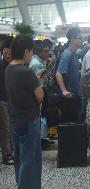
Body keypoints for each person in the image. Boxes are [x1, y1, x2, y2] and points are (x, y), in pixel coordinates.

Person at [5, 36, 44, 189]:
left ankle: (20, 184)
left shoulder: (9, 69)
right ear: (26, 51)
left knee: (20, 158)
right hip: (29, 120)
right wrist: (36, 80)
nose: (32, 55)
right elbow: (39, 96)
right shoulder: (26, 72)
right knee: (31, 160)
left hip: (15, 120)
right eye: (32, 52)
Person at [56, 27, 82, 122]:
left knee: (74, 124)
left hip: (74, 94)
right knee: (69, 125)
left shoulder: (74, 54)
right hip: (68, 96)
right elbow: (58, 73)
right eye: (79, 38)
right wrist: (64, 91)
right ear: (72, 39)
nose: (81, 40)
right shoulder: (67, 54)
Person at [0, 37, 14, 165]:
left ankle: (11, 151)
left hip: (14, 101)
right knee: (5, 127)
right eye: (5, 54)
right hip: (3, 100)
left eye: (9, 54)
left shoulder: (16, 64)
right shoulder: (2, 65)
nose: (7, 56)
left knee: (11, 127)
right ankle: (7, 154)